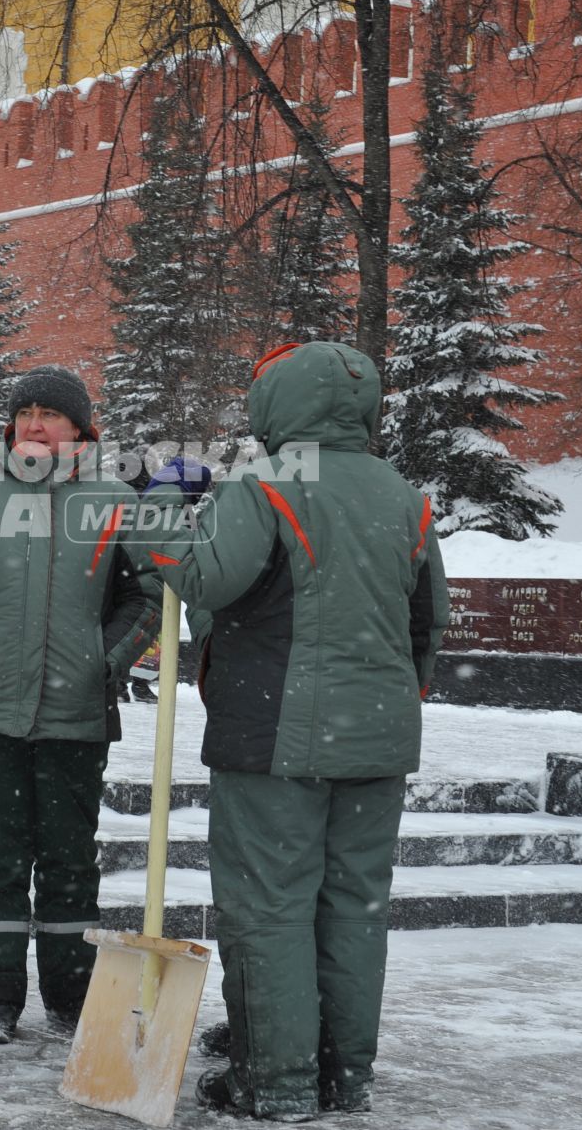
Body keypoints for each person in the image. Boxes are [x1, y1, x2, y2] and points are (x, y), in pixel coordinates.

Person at [128, 342, 449, 1121]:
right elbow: (427, 624)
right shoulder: (405, 497)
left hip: (276, 739)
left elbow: (201, 575)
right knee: (353, 907)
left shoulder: (268, 486)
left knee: (270, 906)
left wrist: (161, 504)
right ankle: (347, 1073)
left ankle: (274, 1080)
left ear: (276, 406)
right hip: (376, 741)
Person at [0, 366, 160, 1043]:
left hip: (76, 717)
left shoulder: (113, 499)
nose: (35, 422)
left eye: (51, 412)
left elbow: (147, 597)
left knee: (71, 863)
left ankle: (71, 998)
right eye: (26, 412)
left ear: (80, 429)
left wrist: (105, 658)